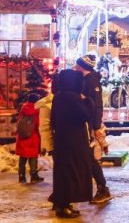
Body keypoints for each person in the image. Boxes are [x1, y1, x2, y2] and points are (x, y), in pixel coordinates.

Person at [51, 69, 94, 218]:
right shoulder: (74, 98)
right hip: (74, 142)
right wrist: (87, 100)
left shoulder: (57, 97)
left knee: (62, 173)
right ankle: (65, 206)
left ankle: (61, 204)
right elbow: (86, 115)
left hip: (62, 140)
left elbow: (53, 121)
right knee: (72, 172)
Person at [74, 54, 111, 204]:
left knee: (89, 158)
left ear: (81, 66)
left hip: (89, 126)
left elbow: (96, 106)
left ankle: (102, 188)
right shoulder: (85, 80)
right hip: (85, 125)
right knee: (86, 158)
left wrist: (96, 125)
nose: (75, 68)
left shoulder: (91, 81)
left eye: (77, 65)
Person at [16, 92, 44, 184]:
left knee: (23, 157)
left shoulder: (23, 109)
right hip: (33, 136)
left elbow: (19, 122)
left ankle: (21, 176)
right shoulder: (37, 110)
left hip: (22, 136)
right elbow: (38, 125)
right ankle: (33, 175)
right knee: (33, 157)